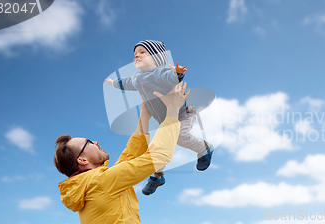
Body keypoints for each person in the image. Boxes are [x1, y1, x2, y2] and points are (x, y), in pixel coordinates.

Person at [54, 82, 190, 224]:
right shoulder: (101, 181)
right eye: (88, 142)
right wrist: (173, 108)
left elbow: (128, 158)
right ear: (82, 160)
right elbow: (159, 155)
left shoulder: (91, 184)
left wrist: (145, 113)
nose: (95, 142)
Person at [105, 40, 214, 195]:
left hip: (183, 113)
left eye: (142, 52)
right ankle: (157, 177)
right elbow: (127, 83)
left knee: (179, 137)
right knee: (158, 147)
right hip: (166, 120)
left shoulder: (159, 72)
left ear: (156, 58)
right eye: (135, 54)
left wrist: (177, 73)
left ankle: (205, 149)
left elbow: (169, 77)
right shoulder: (137, 78)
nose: (137, 55)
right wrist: (114, 83)